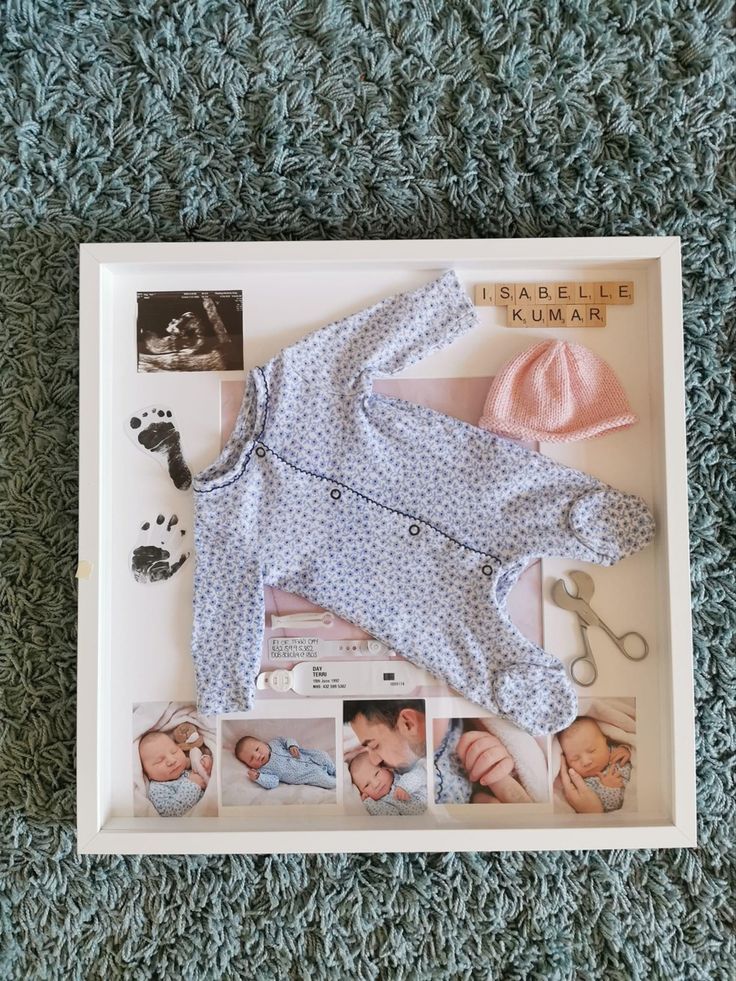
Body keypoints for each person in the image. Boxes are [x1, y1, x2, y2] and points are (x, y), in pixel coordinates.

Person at [344, 700, 520, 804]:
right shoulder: (394, 773)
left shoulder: (464, 738)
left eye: (374, 746)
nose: (374, 760)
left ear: (408, 724)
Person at [558, 716, 632, 813]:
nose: (586, 762)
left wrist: (626, 750)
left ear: (606, 741)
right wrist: (609, 788)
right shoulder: (584, 785)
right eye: (575, 759)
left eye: (592, 750)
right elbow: (610, 808)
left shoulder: (614, 753)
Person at [139, 730, 211, 817]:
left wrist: (205, 764)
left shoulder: (186, 769)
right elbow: (171, 812)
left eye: (174, 752)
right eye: (159, 761)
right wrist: (192, 785)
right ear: (146, 773)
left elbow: (207, 777)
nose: (172, 761)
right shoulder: (157, 789)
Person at [235, 734, 336, 790]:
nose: (257, 756)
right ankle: (337, 782)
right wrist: (259, 777)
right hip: (305, 775)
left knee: (322, 755)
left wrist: (292, 745)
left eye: (257, 749)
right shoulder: (264, 771)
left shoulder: (275, 743)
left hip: (307, 756)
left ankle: (334, 770)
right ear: (249, 765)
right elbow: (273, 782)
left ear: (264, 743)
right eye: (251, 759)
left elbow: (287, 739)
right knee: (325, 780)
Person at [348, 751, 426, 815]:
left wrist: (405, 786)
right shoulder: (380, 803)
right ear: (364, 793)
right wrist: (368, 803)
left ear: (386, 768)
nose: (376, 784)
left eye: (377, 773)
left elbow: (421, 772)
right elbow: (391, 818)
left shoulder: (400, 775)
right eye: (366, 785)